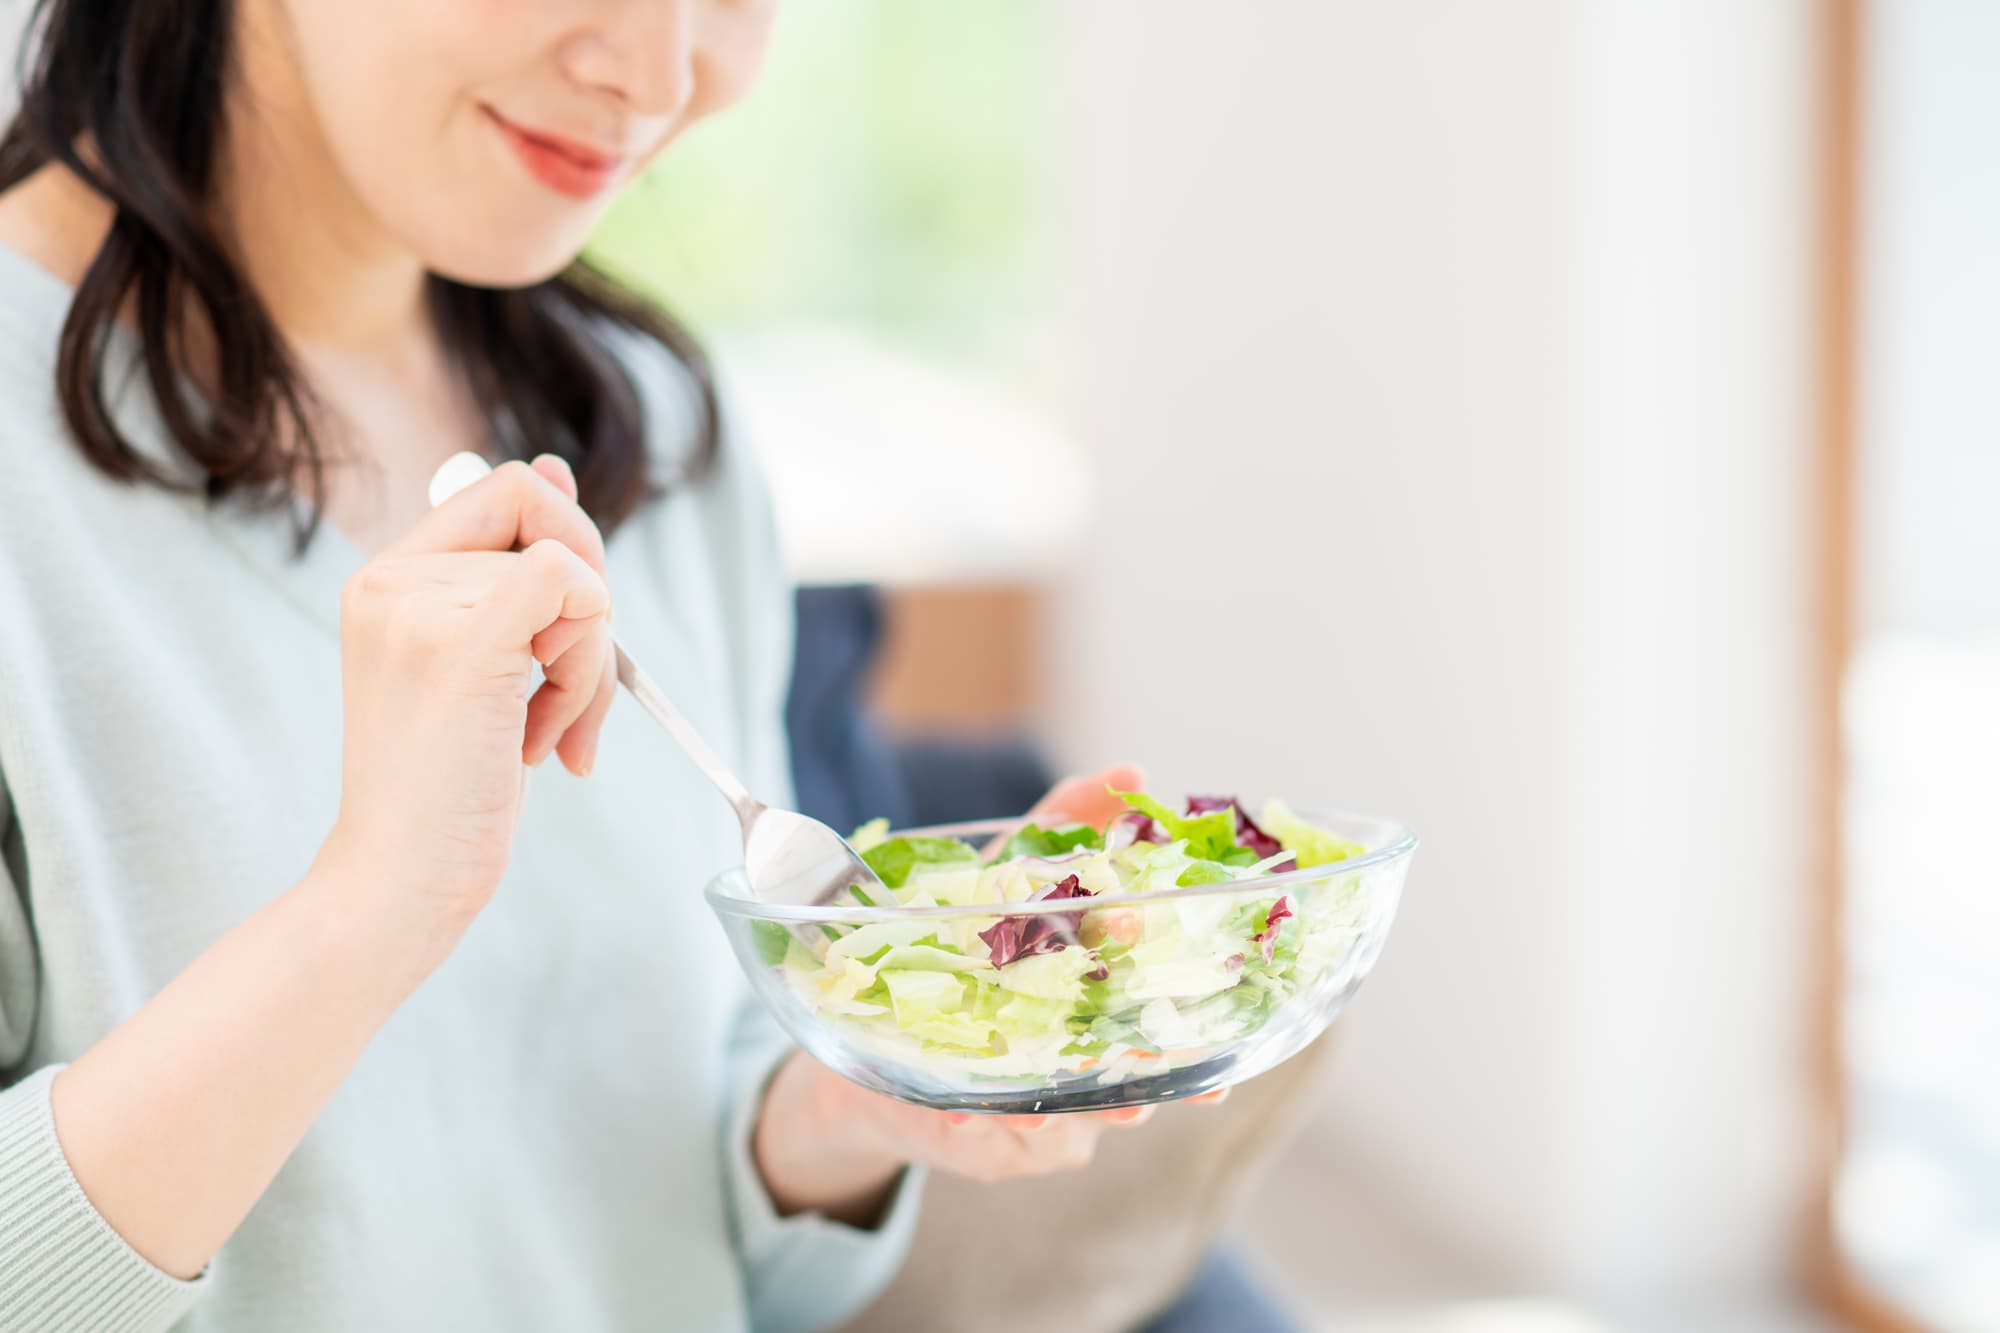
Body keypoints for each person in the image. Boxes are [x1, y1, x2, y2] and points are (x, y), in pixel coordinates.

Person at [0, 2, 1210, 1328]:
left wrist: (845, 1095)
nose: (660, 73)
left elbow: (697, 1243)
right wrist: (367, 910)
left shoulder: (666, 437)